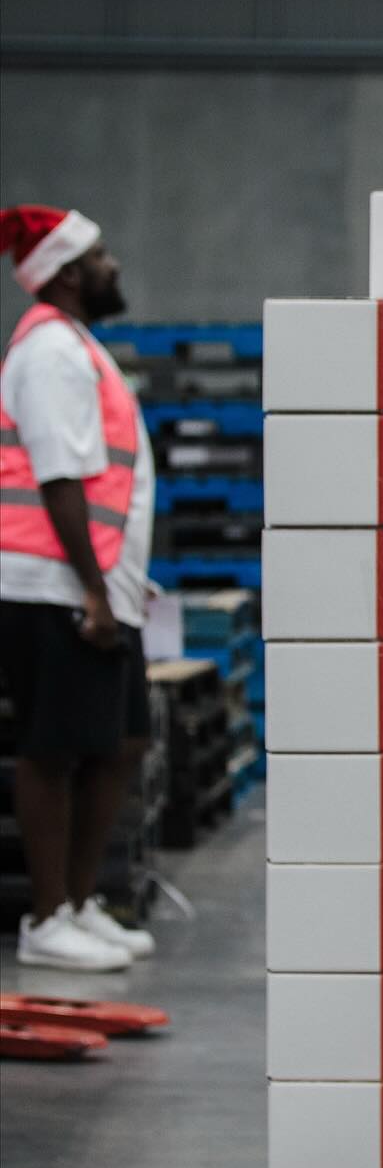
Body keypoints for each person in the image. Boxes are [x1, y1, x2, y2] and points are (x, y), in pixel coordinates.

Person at [0, 204, 157, 970]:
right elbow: (58, 476)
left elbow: (102, 482)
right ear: (64, 273)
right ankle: (47, 916)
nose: (112, 265)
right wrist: (93, 590)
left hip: (92, 579)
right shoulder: (50, 351)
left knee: (121, 741)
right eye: (99, 255)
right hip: (52, 584)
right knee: (55, 749)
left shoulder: (79, 346)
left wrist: (119, 580)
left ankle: (81, 900)